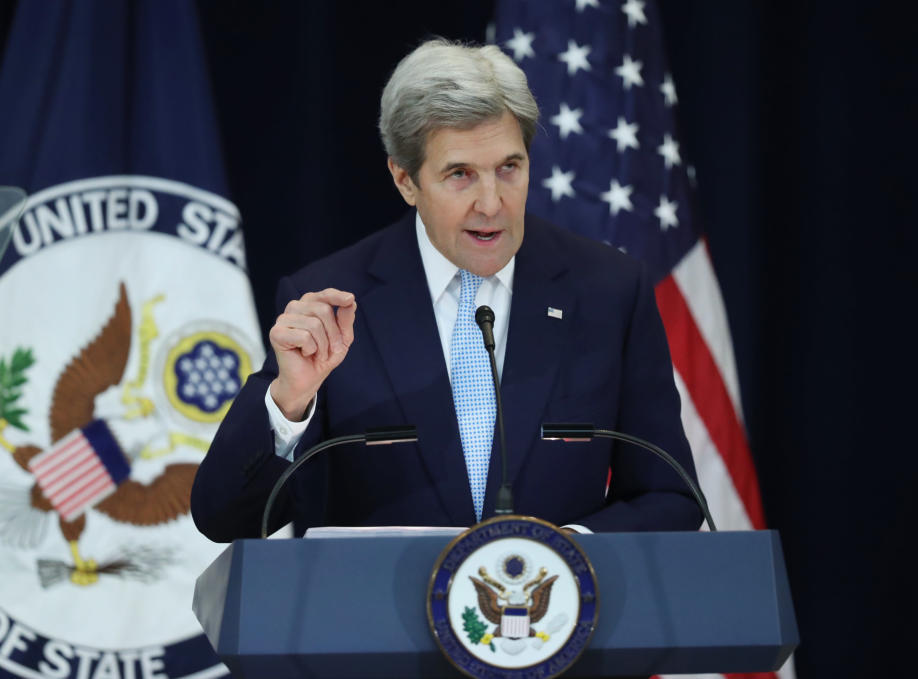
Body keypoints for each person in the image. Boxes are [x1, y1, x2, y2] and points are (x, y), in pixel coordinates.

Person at [191, 39, 703, 542]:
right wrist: (290, 401)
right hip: (380, 621)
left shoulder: (608, 290)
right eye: (460, 174)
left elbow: (669, 495)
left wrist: (564, 554)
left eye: (509, 168)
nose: (491, 202)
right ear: (405, 180)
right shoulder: (331, 300)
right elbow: (223, 518)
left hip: (560, 613)